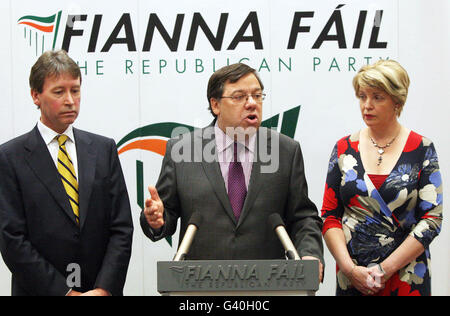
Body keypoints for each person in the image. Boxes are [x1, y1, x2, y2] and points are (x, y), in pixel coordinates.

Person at [140, 63, 324, 280]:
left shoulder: (285, 150)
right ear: (215, 105)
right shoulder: (182, 150)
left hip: (271, 283)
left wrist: (310, 254)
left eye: (257, 95)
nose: (252, 103)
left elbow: (302, 216)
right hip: (200, 284)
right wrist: (156, 219)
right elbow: (166, 213)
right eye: (239, 97)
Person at [0, 50, 133, 296]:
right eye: (59, 92)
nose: (70, 100)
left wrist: (104, 289)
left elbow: (121, 228)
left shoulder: (103, 149)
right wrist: (65, 293)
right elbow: (12, 240)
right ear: (35, 95)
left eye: (75, 90)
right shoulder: (10, 157)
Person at [321, 59, 443, 296]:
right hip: (353, 277)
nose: (367, 105)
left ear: (397, 102)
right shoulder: (344, 148)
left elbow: (432, 219)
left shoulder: (422, 148)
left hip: (406, 276)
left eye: (377, 97)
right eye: (362, 96)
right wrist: (350, 269)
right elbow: (329, 215)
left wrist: (385, 269)